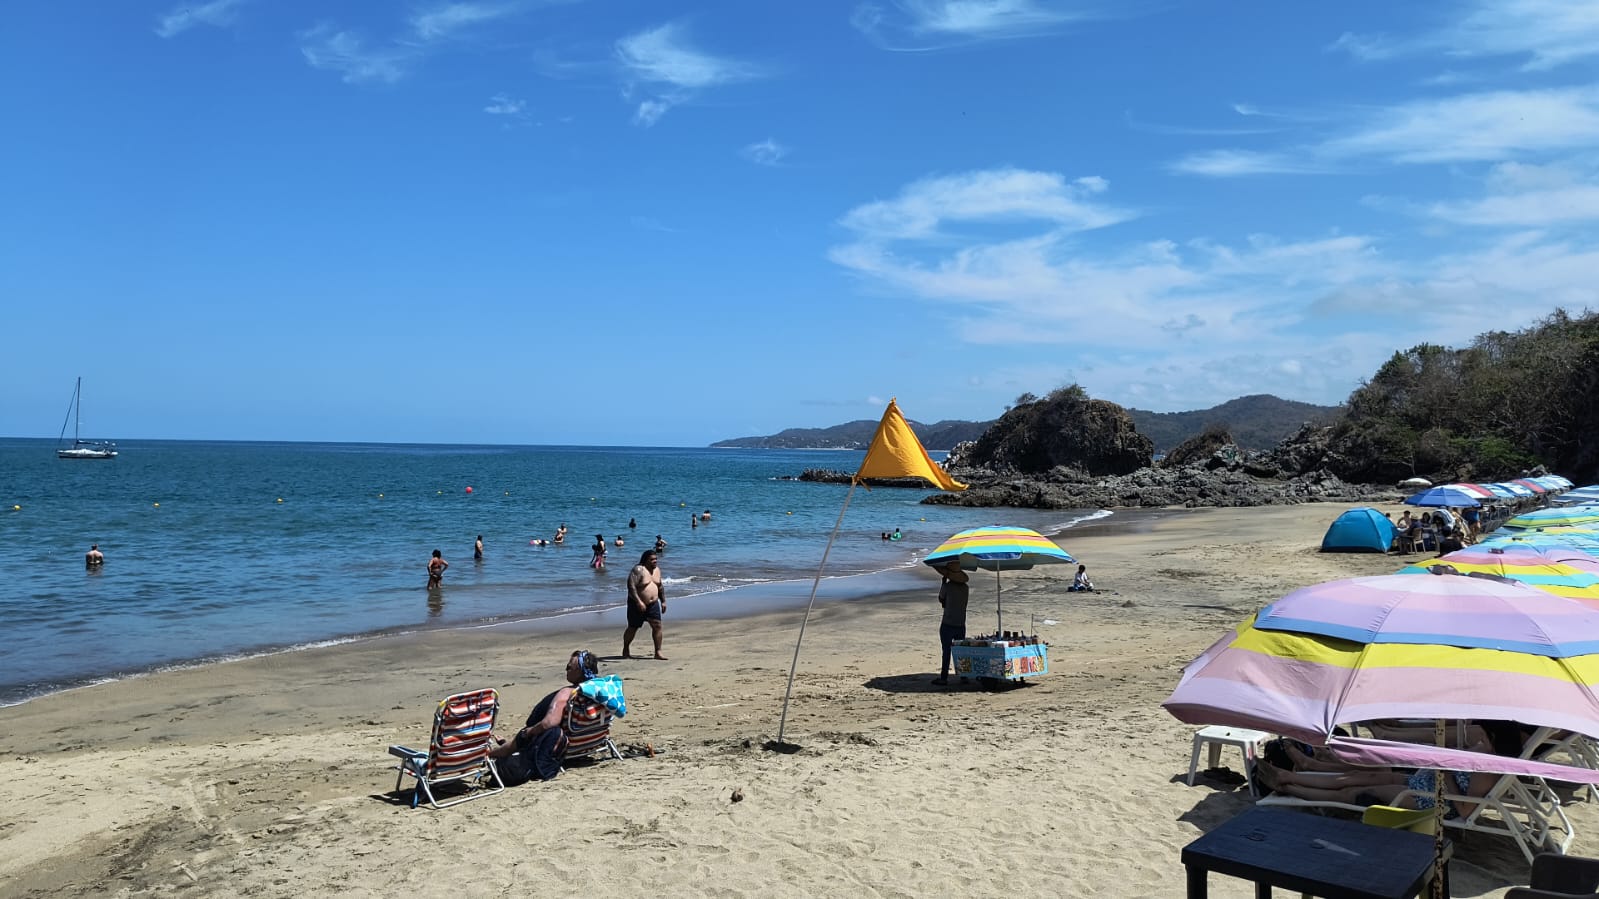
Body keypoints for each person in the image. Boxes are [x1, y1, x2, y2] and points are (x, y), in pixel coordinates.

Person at [488, 649, 600, 785]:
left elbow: (549, 723)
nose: (566, 669)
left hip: (562, 744)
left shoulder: (567, 694)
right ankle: (505, 745)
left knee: (522, 737)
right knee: (522, 738)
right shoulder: (599, 691)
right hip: (588, 741)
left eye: (569, 667)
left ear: (580, 671)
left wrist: (528, 732)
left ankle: (490, 754)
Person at [623, 549, 667, 660]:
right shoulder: (638, 570)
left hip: (653, 604)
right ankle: (626, 648)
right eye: (652, 559)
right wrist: (638, 601)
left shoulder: (657, 570)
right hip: (636, 604)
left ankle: (658, 652)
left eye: (656, 559)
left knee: (657, 626)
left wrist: (663, 601)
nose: (655, 561)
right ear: (645, 560)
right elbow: (631, 586)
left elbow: (660, 586)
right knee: (633, 627)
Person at [932, 559, 970, 686]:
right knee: (961, 651)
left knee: (946, 651)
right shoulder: (966, 588)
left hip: (948, 622)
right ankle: (964, 676)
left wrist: (943, 583)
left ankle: (944, 677)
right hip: (960, 623)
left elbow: (941, 600)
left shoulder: (947, 587)